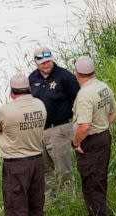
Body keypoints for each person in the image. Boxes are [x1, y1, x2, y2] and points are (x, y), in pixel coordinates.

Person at [0, 73, 47, 216]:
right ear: (29, 88)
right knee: (36, 204)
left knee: (16, 209)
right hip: (37, 161)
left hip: (16, 165)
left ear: (11, 91)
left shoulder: (6, 111)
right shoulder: (40, 105)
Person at [71, 56, 116, 216]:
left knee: (91, 180)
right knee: (100, 177)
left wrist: (76, 143)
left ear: (77, 74)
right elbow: (114, 112)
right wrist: (103, 125)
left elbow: (84, 126)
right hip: (104, 136)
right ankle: (100, 213)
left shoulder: (85, 94)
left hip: (90, 140)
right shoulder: (103, 86)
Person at [29, 46, 80, 200]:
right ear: (36, 62)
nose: (47, 65)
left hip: (60, 129)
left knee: (64, 169)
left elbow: (77, 101)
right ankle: (49, 202)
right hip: (38, 131)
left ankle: (67, 200)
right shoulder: (32, 78)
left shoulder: (65, 77)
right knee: (44, 170)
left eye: (49, 61)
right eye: (43, 63)